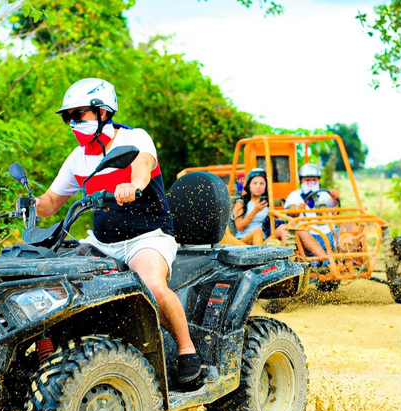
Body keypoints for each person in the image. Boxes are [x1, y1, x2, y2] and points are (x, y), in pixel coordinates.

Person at [34, 78, 203, 389]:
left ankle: (186, 350)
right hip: (102, 242)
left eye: (79, 115)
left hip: (148, 237)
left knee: (151, 283)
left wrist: (133, 185)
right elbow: (51, 203)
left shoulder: (134, 138)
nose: (73, 123)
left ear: (102, 113)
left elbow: (142, 165)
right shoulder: (78, 157)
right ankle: (49, 354)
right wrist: (31, 204)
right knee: (46, 274)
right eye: (68, 117)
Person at [284, 163, 340, 262]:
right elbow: (291, 211)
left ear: (318, 180)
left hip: (330, 234)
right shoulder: (295, 195)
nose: (311, 182)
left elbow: (334, 204)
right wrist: (298, 210)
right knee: (300, 230)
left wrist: (334, 196)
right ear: (301, 180)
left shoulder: (324, 194)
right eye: (308, 180)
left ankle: (354, 260)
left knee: (352, 226)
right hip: (310, 236)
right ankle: (326, 261)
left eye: (314, 180)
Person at [222, 168, 289, 246]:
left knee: (284, 228)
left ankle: (289, 255)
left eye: (261, 183)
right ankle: (259, 256)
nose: (258, 186)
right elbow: (239, 226)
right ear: (249, 185)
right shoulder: (241, 203)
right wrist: (255, 211)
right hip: (244, 241)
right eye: (255, 183)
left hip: (263, 240)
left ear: (265, 186)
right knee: (258, 231)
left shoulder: (267, 202)